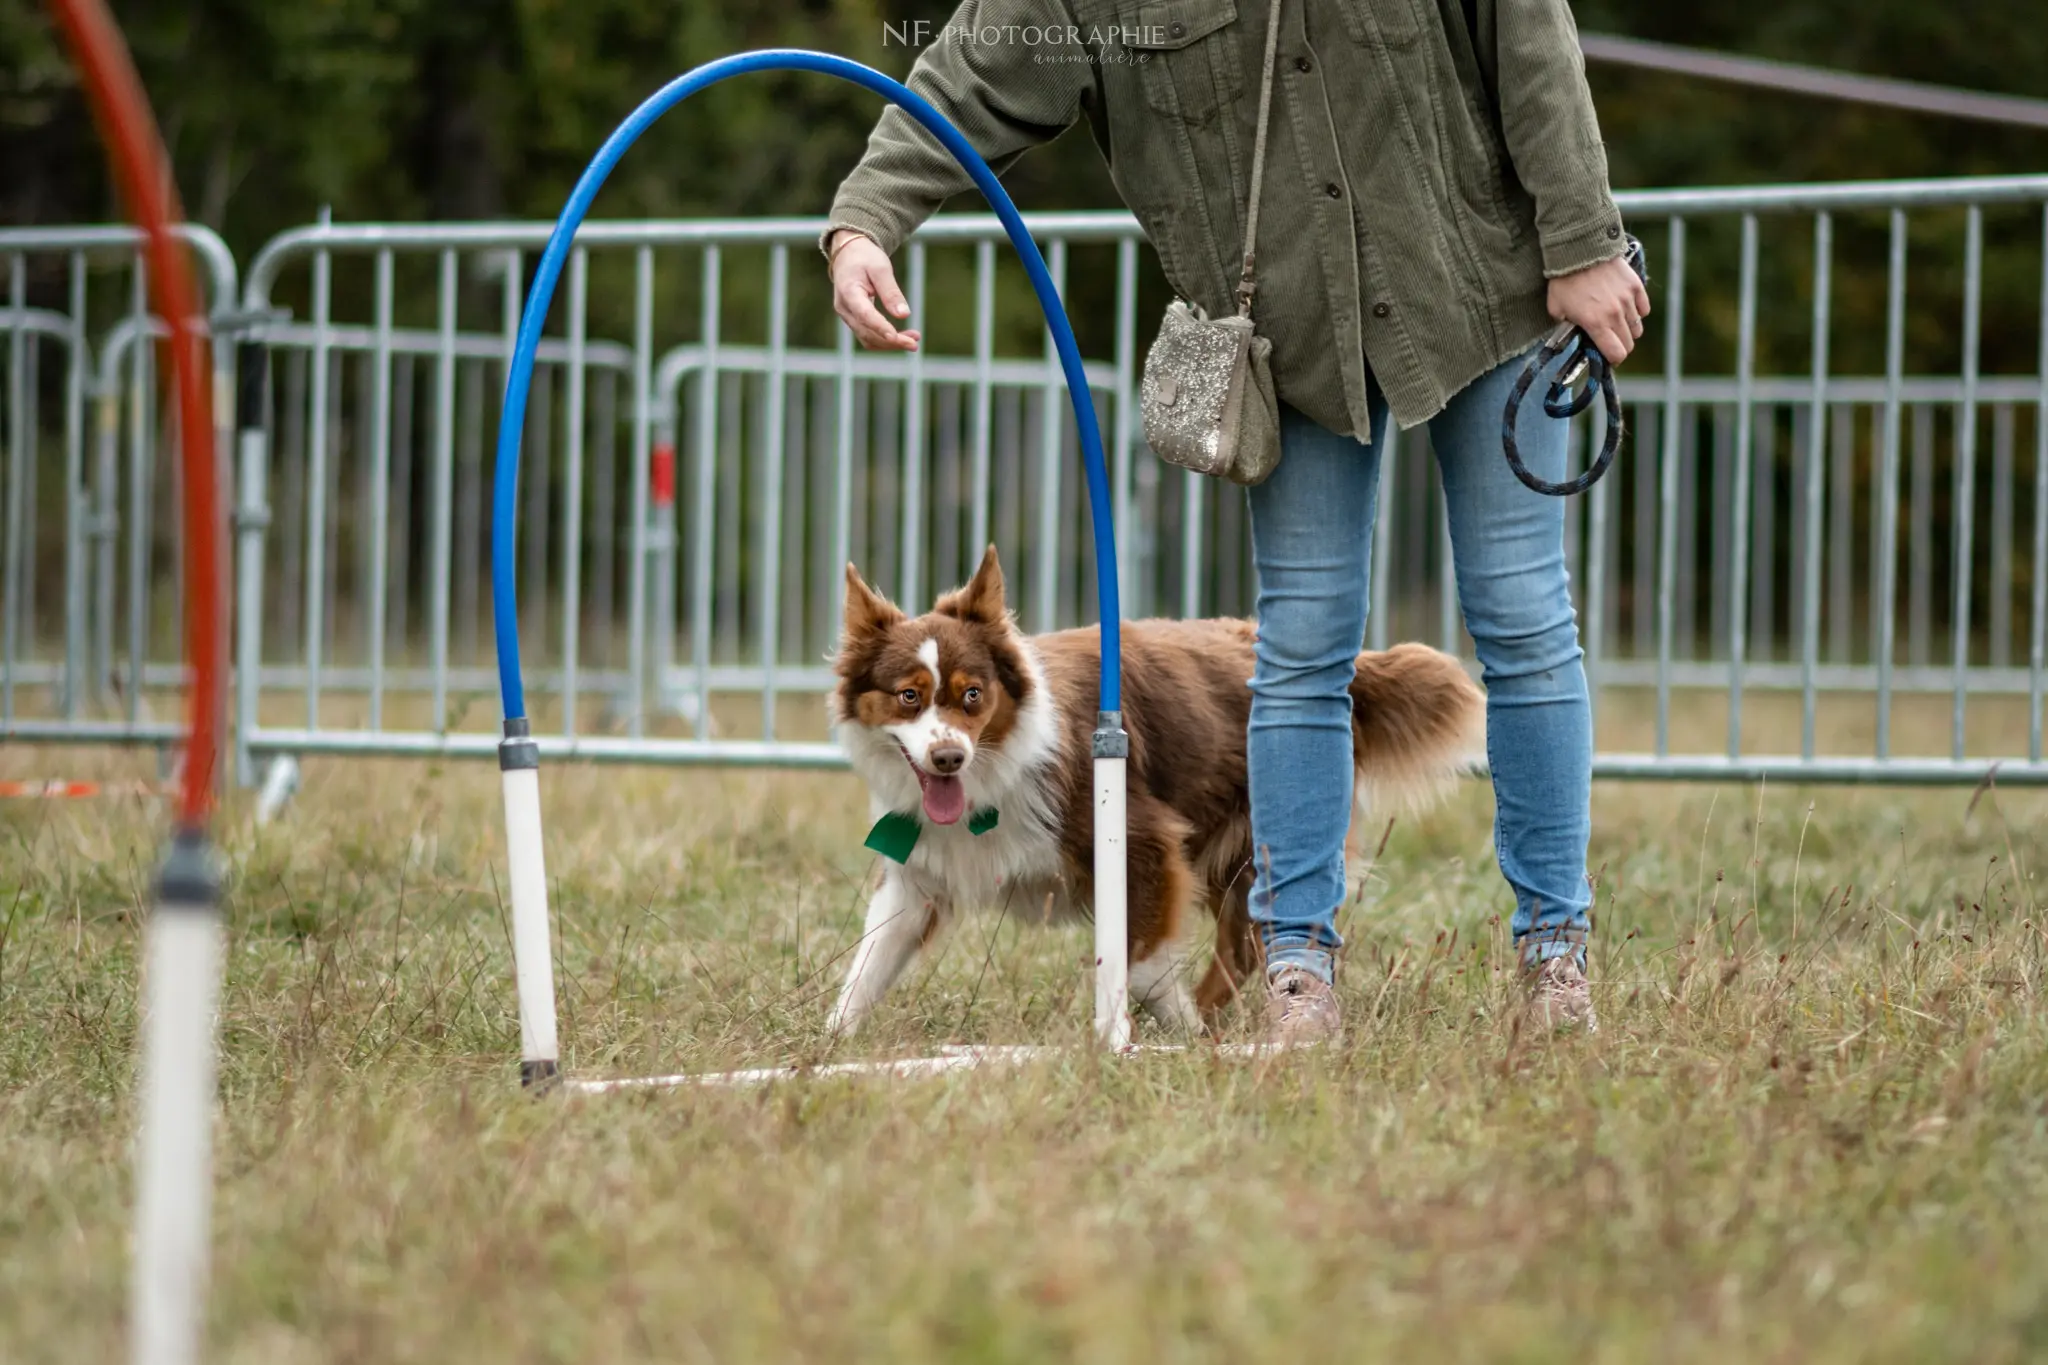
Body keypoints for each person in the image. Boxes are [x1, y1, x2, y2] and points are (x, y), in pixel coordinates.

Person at [821, 0, 1649, 1043]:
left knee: (1523, 618)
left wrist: (1579, 237)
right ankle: (1295, 968)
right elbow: (961, 79)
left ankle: (1554, 957)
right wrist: (863, 223)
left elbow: (1526, 35)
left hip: (1483, 282)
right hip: (1284, 344)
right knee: (1300, 640)